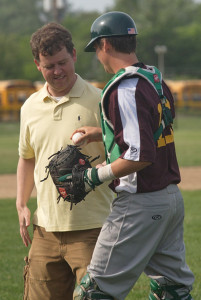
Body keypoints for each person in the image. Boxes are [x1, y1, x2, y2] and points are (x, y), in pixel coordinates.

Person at [72, 11, 195, 300]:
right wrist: (101, 134)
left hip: (140, 203)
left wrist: (93, 176)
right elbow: (149, 134)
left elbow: (140, 155)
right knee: (171, 290)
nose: (99, 57)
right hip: (169, 199)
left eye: (97, 50)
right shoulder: (153, 78)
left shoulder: (124, 88)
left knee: (94, 293)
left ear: (105, 45)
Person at [16, 22, 114, 300]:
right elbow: (27, 158)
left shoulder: (100, 99)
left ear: (74, 54)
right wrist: (22, 203)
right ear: (37, 64)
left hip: (92, 229)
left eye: (62, 62)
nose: (57, 71)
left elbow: (124, 151)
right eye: (49, 66)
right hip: (45, 230)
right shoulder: (30, 107)